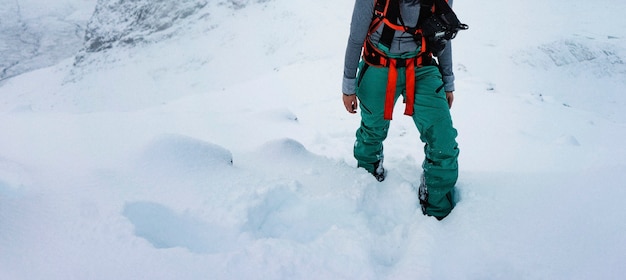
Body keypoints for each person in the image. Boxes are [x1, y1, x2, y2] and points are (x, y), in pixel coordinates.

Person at [342, 0, 460, 220]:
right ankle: (366, 181)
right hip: (379, 64)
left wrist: (447, 80)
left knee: (443, 140)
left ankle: (437, 206)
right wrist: (348, 85)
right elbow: (356, 36)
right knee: (372, 131)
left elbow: (443, 34)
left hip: (422, 67)